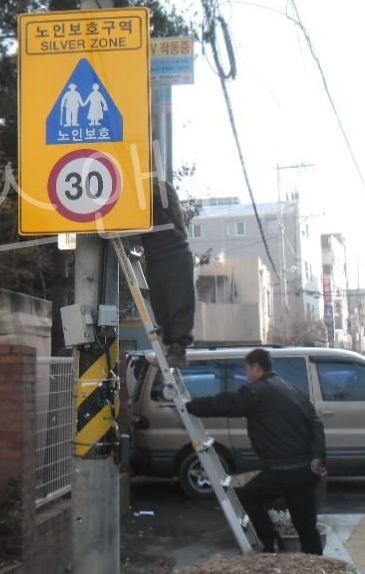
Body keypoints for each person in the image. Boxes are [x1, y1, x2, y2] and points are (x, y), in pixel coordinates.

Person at [185, 348, 327, 554]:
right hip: (305, 469)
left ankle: (271, 545)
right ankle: (316, 566)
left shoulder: (257, 391)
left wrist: (191, 406)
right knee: (305, 526)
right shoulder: (293, 389)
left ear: (256, 367)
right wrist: (318, 457)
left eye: (247, 369)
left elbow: (227, 403)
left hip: (283, 469)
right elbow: (316, 424)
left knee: (246, 498)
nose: (247, 374)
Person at [140, 180, 195, 368]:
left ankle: (178, 350)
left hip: (175, 253)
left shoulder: (161, 188)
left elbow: (149, 195)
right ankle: (172, 349)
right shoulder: (146, 189)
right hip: (156, 257)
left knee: (178, 304)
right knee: (160, 306)